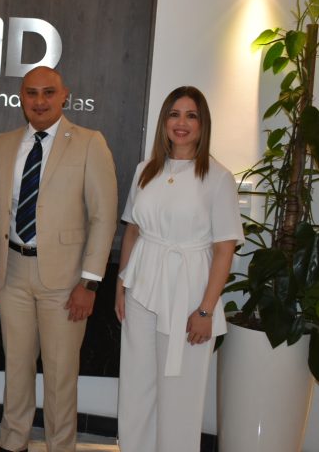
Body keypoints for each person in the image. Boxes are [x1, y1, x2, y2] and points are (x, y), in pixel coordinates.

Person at [0, 66, 117, 452]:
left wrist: (89, 283)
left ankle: (60, 446)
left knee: (60, 375)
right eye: (31, 93)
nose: (39, 101)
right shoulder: (4, 143)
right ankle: (13, 443)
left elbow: (103, 217)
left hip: (67, 280)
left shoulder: (89, 143)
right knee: (16, 368)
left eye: (48, 93)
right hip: (12, 273)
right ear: (21, 98)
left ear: (64, 95)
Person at [114, 86, 242, 452]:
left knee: (180, 392)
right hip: (141, 287)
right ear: (164, 122)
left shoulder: (218, 177)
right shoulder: (145, 170)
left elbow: (224, 249)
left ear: (203, 124)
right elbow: (133, 230)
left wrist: (205, 310)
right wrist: (121, 285)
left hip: (190, 292)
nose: (181, 123)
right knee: (136, 386)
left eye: (191, 115)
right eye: (174, 114)